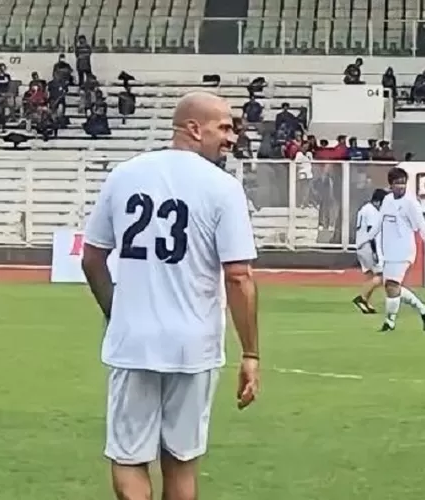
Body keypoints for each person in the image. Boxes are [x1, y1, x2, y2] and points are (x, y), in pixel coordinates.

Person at [81, 91, 260, 500]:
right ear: (194, 128)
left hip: (134, 342)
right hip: (193, 347)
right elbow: (238, 276)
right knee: (181, 464)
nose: (232, 137)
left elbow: (92, 257)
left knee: (129, 461)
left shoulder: (124, 175)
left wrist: (116, 312)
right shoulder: (223, 188)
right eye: (225, 127)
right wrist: (251, 353)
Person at [360, 167, 425, 332]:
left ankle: (390, 322)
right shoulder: (388, 200)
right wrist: (365, 240)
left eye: (403, 183)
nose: (401, 187)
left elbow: (422, 227)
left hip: (403, 250)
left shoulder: (411, 203)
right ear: (390, 185)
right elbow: (378, 223)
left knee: (392, 285)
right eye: (397, 183)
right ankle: (424, 310)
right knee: (391, 286)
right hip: (388, 250)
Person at [353, 188, 387, 313]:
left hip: (361, 245)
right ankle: (361, 298)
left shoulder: (364, 209)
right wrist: (375, 252)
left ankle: (366, 302)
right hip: (368, 246)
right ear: (377, 202)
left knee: (370, 276)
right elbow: (372, 233)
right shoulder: (372, 212)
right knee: (381, 276)